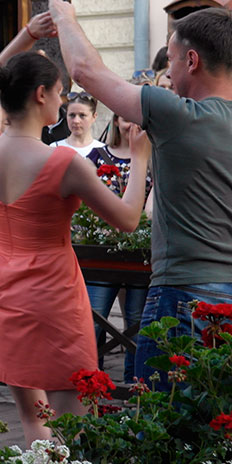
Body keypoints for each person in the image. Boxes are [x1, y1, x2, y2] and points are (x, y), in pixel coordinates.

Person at [0, 10, 149, 447]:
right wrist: (141, 155)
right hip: (50, 293)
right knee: (73, 424)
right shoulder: (64, 162)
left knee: (34, 420)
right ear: (41, 94)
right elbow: (127, 220)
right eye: (61, 93)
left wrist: (28, 34)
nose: (65, 101)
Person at [49, 0, 232, 396]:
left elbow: (85, 70)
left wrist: (64, 16)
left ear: (192, 61)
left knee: (166, 427)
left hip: (185, 295)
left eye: (171, 58)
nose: (168, 69)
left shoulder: (180, 114)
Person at [85, 107, 153, 383]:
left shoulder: (152, 159)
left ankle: (131, 383)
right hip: (102, 250)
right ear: (116, 120)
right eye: (126, 119)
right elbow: (87, 204)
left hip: (138, 250)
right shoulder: (97, 156)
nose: (132, 126)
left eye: (138, 120)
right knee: (94, 318)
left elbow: (150, 209)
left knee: (136, 320)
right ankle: (90, 380)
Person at [50, 92, 104, 157]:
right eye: (72, 115)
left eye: (82, 115)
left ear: (94, 117)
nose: (76, 121)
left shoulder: (103, 151)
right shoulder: (54, 148)